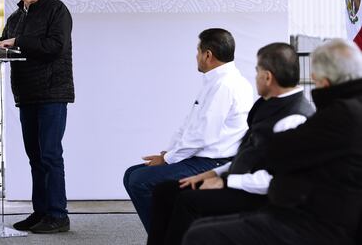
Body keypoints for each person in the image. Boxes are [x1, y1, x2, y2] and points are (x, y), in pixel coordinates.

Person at [182, 39, 362, 245]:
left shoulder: (341, 113)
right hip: (315, 210)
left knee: (200, 235)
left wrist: (226, 178)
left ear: (324, 81)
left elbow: (276, 154)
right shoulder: (348, 110)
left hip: (318, 221)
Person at [147, 42, 315, 245]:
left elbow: (277, 181)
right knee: (164, 191)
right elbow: (249, 153)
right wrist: (213, 174)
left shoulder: (294, 118)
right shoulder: (266, 103)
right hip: (237, 180)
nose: (255, 77)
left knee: (186, 202)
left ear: (268, 77)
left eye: (257, 71)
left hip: (258, 194)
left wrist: (225, 181)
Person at [123, 28, 254, 232]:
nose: (196, 57)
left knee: (139, 180)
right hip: (201, 157)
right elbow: (189, 127)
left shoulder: (224, 86)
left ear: (208, 54)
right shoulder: (218, 81)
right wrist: (169, 153)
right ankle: (167, 233)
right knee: (132, 174)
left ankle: (165, 237)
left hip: (213, 162)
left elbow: (202, 137)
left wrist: (168, 160)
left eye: (198, 51)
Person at [0, 0, 74, 233]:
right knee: (35, 156)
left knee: (51, 155)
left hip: (53, 92)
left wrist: (16, 41)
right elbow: (9, 44)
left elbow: (55, 47)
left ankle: (58, 215)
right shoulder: (17, 16)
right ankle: (41, 212)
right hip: (27, 94)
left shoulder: (57, 10)